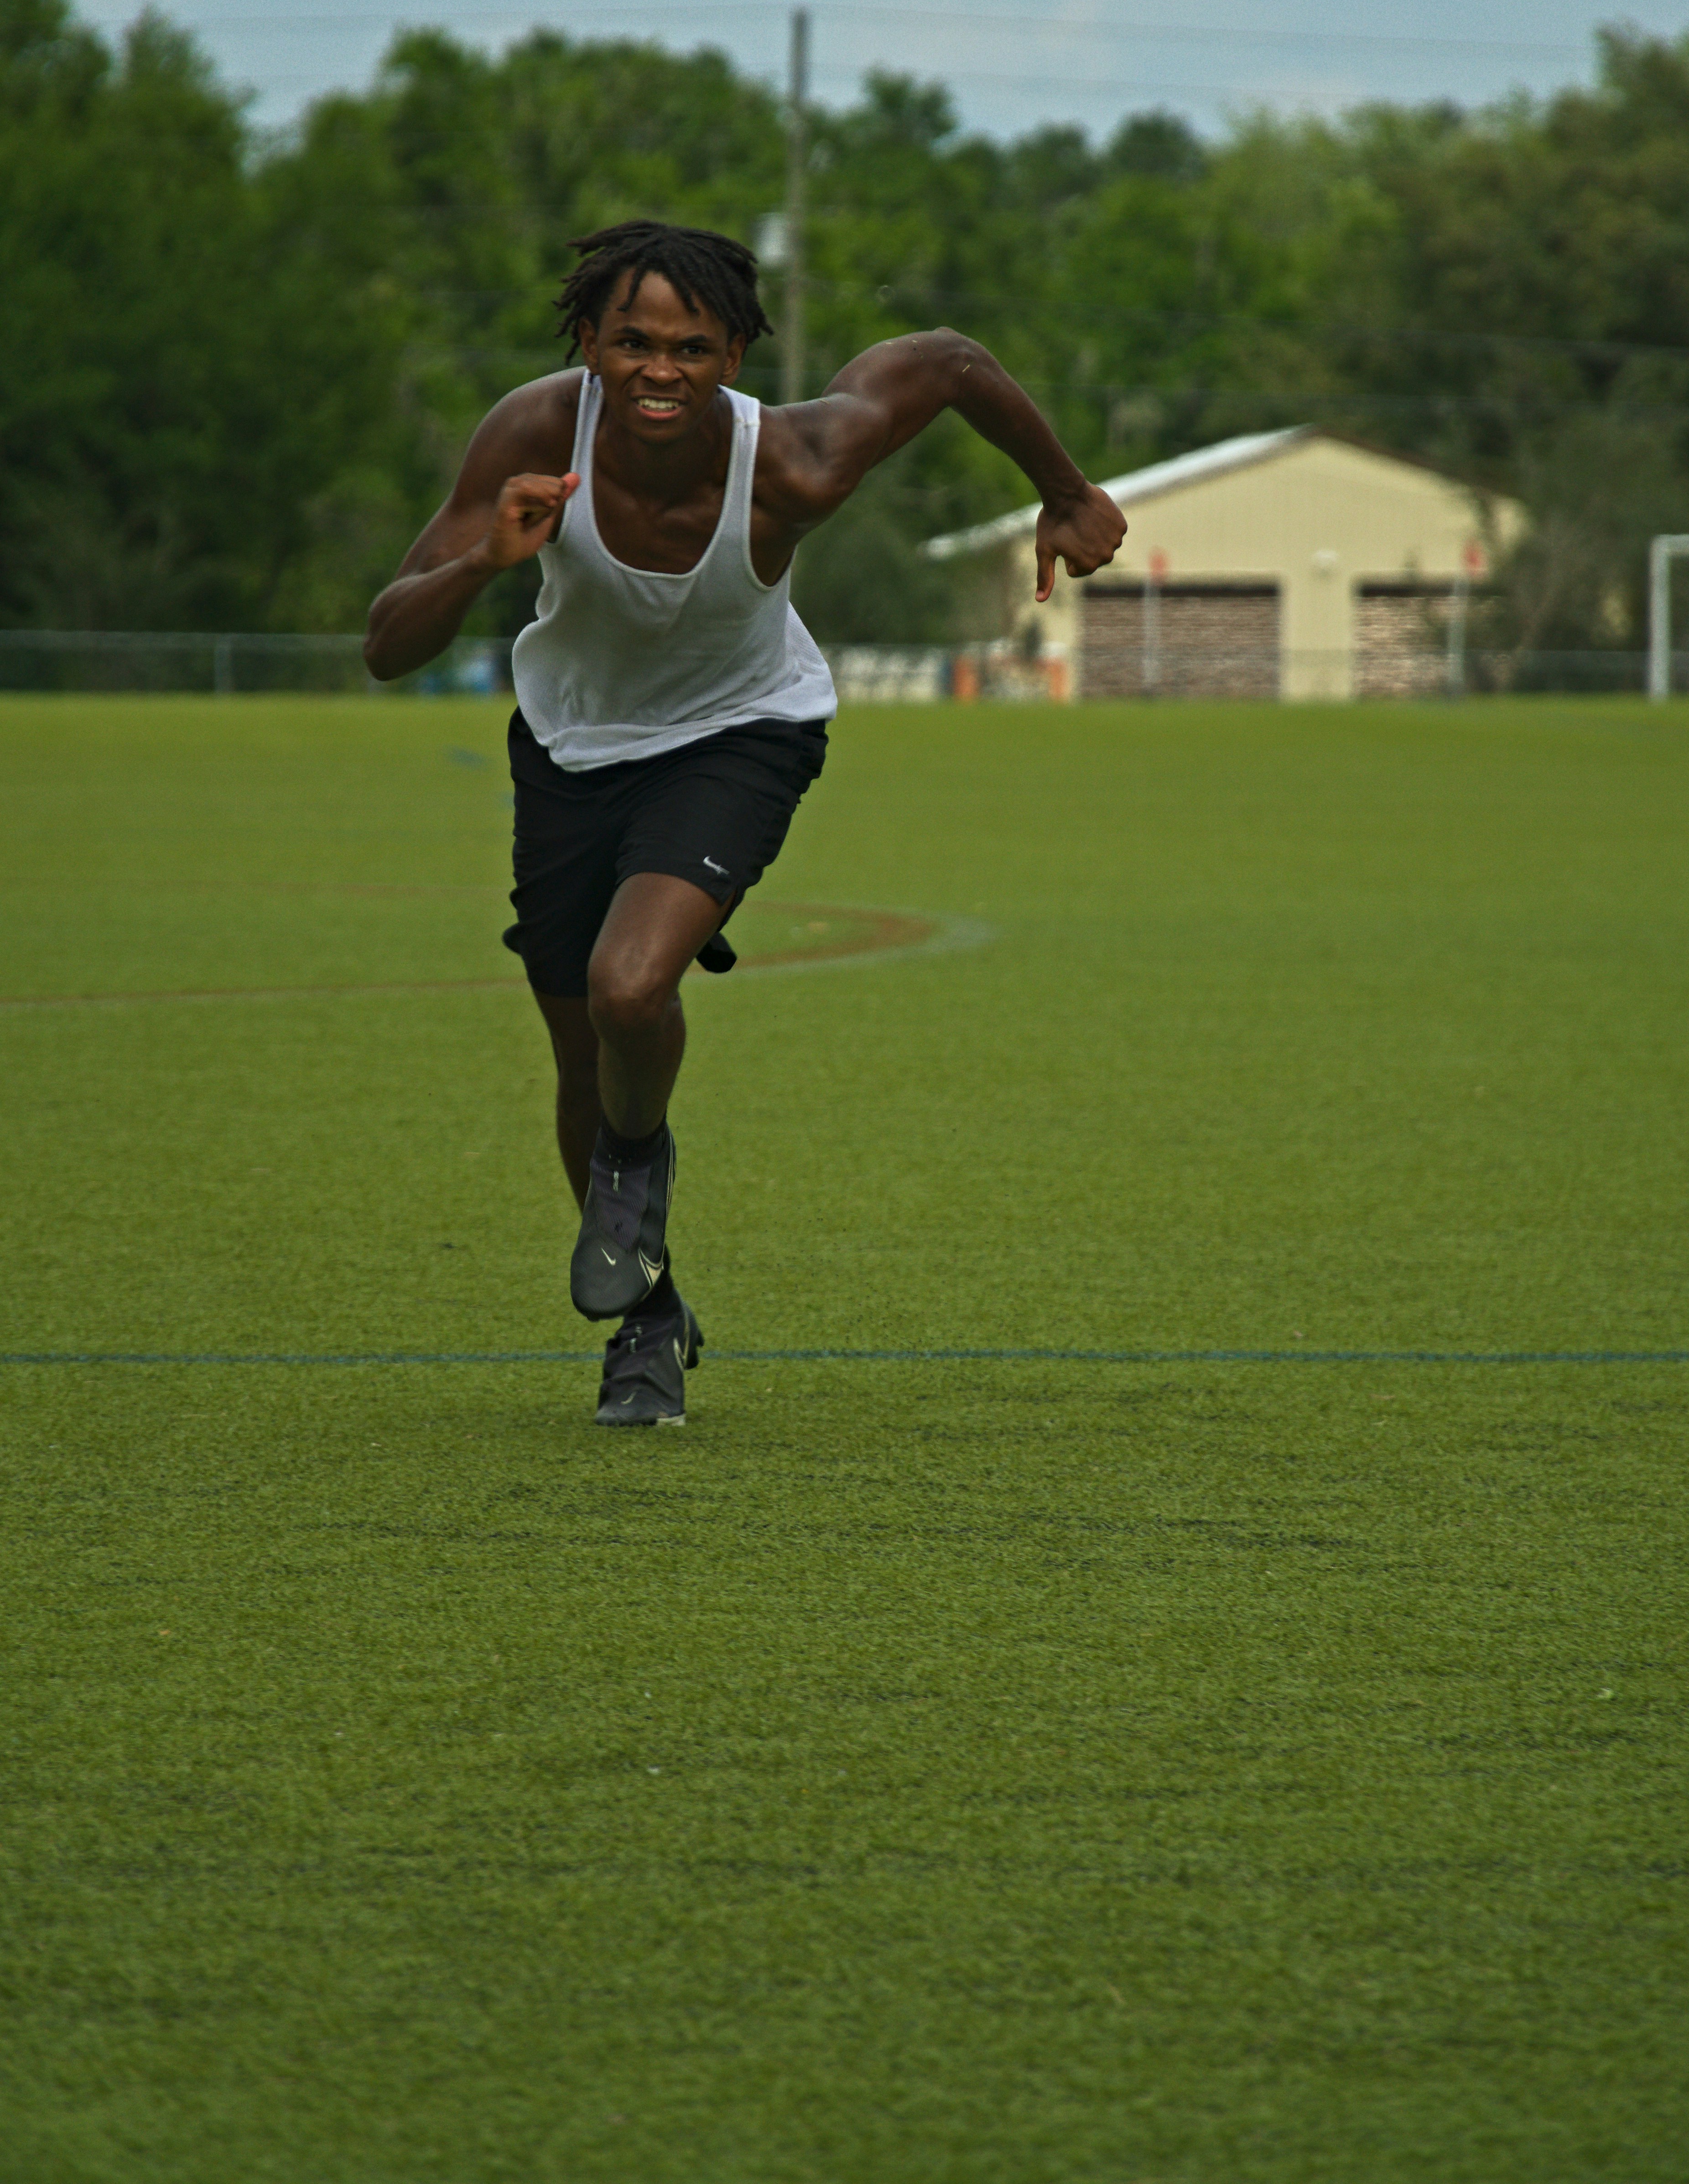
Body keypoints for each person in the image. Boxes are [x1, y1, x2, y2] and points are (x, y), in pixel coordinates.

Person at [364, 220, 1125, 1425]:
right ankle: (649, 1323)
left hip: (741, 735)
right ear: (588, 344)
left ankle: (633, 1167)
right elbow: (387, 645)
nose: (658, 368)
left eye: (691, 346)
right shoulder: (528, 433)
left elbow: (950, 361)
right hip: (571, 747)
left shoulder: (800, 462)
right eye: (631, 343)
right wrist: (480, 566)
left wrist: (1068, 493)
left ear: (734, 356)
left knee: (629, 989)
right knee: (584, 1056)